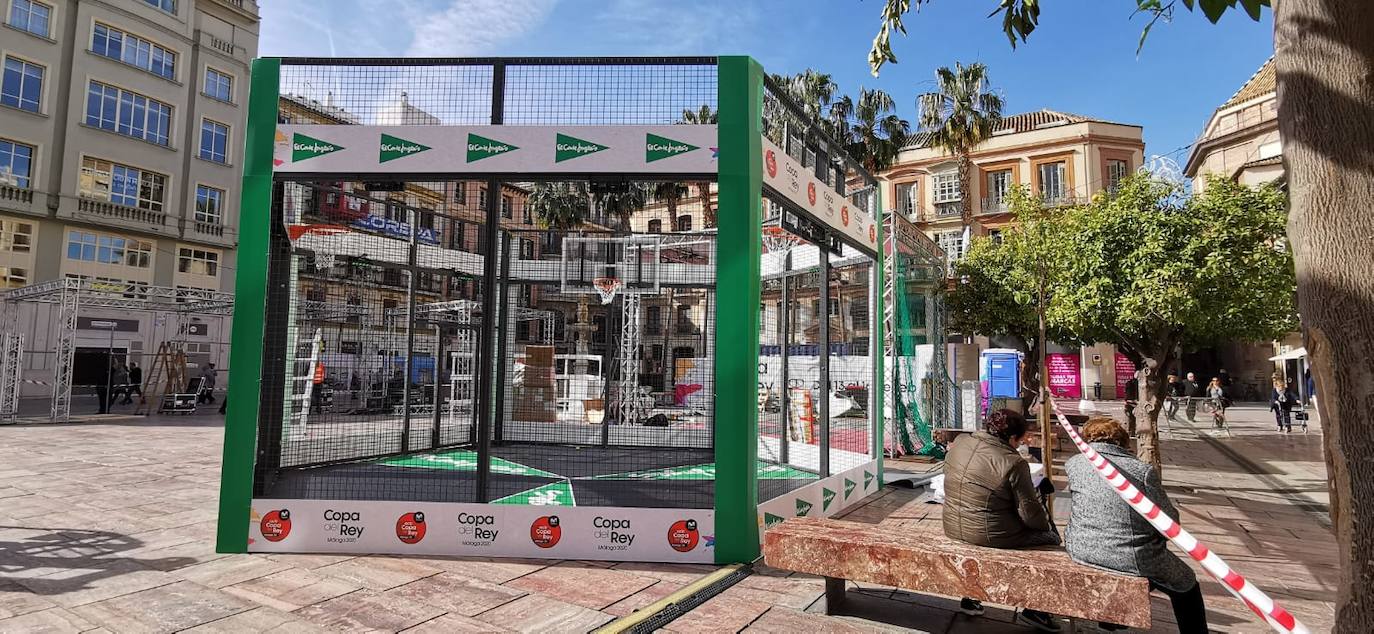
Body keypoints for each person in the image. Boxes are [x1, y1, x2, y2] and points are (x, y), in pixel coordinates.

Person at [1065, 418, 1209, 633]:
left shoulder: (1074, 464)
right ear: (1123, 441)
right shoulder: (1142, 471)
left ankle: (1112, 619)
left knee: (1144, 571)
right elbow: (1168, 522)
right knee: (1186, 582)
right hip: (1130, 555)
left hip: (1080, 547)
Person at [943, 408, 1062, 632]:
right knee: (1051, 539)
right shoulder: (1013, 463)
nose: (1020, 445)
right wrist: (1044, 521)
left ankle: (971, 596)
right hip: (990, 533)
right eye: (1020, 440)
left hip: (953, 524)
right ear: (1012, 438)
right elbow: (1031, 516)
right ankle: (1037, 608)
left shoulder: (960, 443)